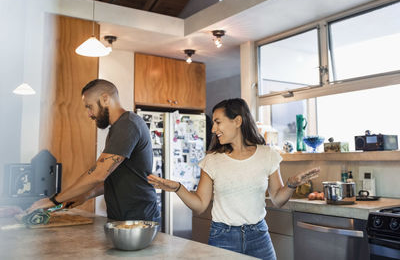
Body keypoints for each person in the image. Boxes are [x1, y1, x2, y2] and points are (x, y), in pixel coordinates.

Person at [147, 98, 319, 260]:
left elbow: (278, 200)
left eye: (218, 122)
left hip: (259, 235)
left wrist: (291, 185)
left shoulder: (268, 155)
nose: (213, 129)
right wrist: (178, 187)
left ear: (237, 121)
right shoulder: (212, 160)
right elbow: (199, 205)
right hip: (223, 237)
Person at [28, 79, 160, 223]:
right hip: (123, 216)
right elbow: (112, 177)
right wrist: (84, 196)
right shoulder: (118, 128)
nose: (89, 114)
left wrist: (52, 200)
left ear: (105, 98)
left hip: (140, 217)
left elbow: (98, 174)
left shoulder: (128, 125)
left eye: (90, 107)